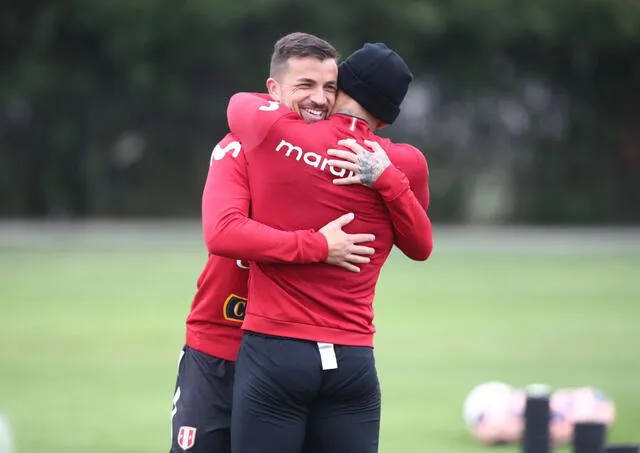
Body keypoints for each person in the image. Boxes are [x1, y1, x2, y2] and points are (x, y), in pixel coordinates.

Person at [217, 42, 433, 453]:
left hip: (275, 353)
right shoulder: (405, 164)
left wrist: (296, 96)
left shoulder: (275, 132)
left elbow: (239, 103)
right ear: (387, 116)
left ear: (340, 87)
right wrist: (385, 179)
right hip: (352, 361)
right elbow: (421, 246)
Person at [169, 33, 377, 453]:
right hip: (221, 344)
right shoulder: (239, 145)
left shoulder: (351, 162)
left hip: (295, 352)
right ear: (273, 90)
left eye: (329, 87)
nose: (320, 99)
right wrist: (316, 246)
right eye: (306, 85)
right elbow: (222, 232)